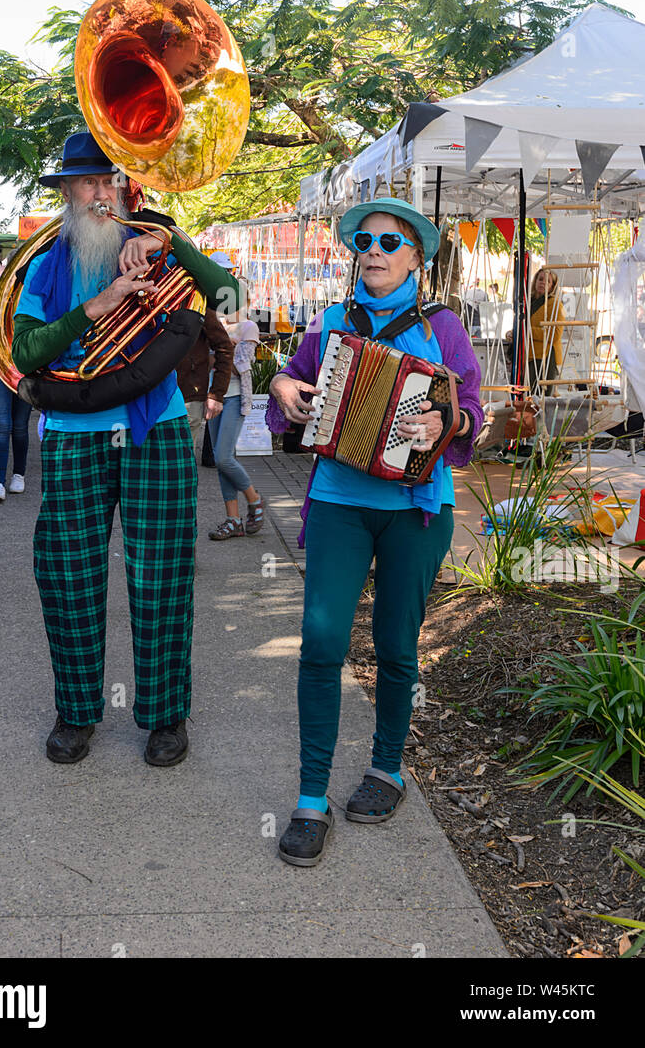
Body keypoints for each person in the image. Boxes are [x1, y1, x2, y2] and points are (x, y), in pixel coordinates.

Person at [11, 132, 239, 768]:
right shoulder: (44, 265)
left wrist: (173, 242)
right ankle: (76, 712)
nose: (100, 193)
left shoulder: (156, 245)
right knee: (68, 574)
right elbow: (26, 352)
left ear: (127, 185)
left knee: (162, 572)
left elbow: (230, 299)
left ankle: (166, 714)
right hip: (72, 433)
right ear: (67, 193)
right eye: (87, 183)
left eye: (110, 180)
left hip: (155, 428)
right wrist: (103, 302)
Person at [266, 198, 483, 867]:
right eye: (364, 240)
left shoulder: (443, 329)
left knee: (395, 644)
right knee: (323, 643)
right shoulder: (330, 323)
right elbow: (293, 394)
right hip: (338, 500)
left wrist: (442, 424)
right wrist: (280, 386)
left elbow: (472, 409)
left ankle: (386, 770)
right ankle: (310, 798)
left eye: (392, 242)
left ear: (418, 256)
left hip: (416, 508)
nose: (375, 250)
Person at [207, 317, 265, 540]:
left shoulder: (249, 327)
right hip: (213, 396)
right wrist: (221, 347)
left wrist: (223, 350)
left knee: (223, 458)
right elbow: (207, 361)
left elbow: (242, 365)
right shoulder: (215, 324)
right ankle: (233, 520)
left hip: (236, 398)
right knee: (221, 459)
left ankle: (254, 499)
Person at [0, 301, 33, 502]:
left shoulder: (33, 287)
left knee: (20, 426)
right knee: (2, 426)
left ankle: (18, 474)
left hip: (26, 368)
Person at [176, 305, 234, 459]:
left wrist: (217, 393)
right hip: (150, 396)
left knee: (182, 462)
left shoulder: (195, 299)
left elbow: (224, 347)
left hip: (187, 396)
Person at [529, 266, 565, 393]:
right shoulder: (528, 302)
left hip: (545, 358)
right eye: (540, 279)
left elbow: (554, 334)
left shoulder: (555, 304)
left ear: (552, 286)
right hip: (528, 357)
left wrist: (526, 332)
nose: (543, 282)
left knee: (541, 399)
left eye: (547, 281)